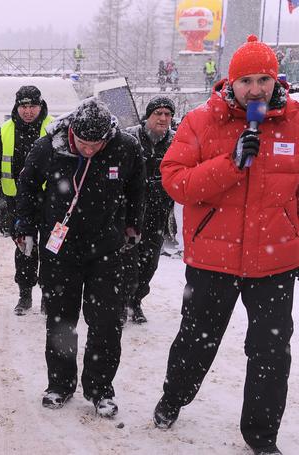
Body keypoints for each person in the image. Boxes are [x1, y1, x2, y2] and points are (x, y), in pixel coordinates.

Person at [153, 35, 299, 455]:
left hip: (275, 262)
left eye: (264, 79)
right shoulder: (202, 121)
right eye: (246, 80)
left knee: (271, 351)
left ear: (276, 81)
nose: (256, 90)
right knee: (197, 340)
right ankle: (173, 397)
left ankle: (262, 435)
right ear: (229, 82)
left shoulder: (293, 121)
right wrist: (230, 162)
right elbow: (176, 181)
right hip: (212, 261)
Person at [15, 98, 145, 413]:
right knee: (61, 320)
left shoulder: (124, 147)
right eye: (83, 144)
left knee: (106, 323)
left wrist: (133, 226)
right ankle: (59, 385)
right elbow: (28, 187)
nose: (88, 150)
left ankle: (101, 390)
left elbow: (138, 188)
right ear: (73, 132)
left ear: (107, 137)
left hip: (106, 248)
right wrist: (23, 227)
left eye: (95, 145)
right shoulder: (49, 146)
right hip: (61, 248)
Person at [0, 85, 54, 315]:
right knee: (24, 249)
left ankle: (48, 295)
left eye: (32, 106)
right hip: (17, 202)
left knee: (51, 251)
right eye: (24, 106)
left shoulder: (53, 128)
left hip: (50, 201)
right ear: (17, 107)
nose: (28, 111)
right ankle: (25, 295)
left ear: (40, 106)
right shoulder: (5, 130)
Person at [121, 96, 176, 324]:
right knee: (126, 260)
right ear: (148, 116)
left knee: (149, 262)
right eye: (158, 113)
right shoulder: (130, 137)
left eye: (167, 114)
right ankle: (122, 302)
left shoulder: (176, 141)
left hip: (158, 212)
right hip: (129, 211)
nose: (163, 118)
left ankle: (136, 301)